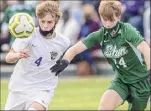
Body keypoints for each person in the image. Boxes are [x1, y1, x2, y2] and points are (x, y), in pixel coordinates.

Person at [50, 0, 150, 110]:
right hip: (121, 80)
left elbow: (145, 49)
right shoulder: (101, 34)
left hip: (141, 81)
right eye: (104, 19)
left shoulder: (127, 30)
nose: (107, 24)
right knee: (104, 107)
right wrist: (64, 61)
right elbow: (74, 49)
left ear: (118, 16)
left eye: (111, 20)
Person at [4, 1, 70, 110]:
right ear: (37, 19)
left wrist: (65, 61)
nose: (45, 26)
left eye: (49, 22)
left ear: (56, 21)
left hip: (43, 90)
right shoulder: (27, 35)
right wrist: (17, 55)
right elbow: (8, 57)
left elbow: (70, 53)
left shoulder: (64, 42)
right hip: (19, 88)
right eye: (42, 21)